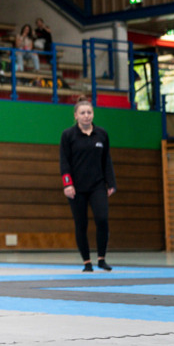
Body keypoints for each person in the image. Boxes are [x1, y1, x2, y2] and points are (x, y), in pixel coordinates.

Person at [60, 98, 117, 272]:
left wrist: (111, 182)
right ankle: (87, 261)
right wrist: (67, 184)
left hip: (97, 185)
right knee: (81, 224)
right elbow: (64, 162)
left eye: (89, 112)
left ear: (93, 114)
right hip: (76, 188)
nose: (86, 116)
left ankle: (101, 258)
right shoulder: (68, 135)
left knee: (102, 219)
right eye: (82, 113)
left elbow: (106, 159)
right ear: (76, 115)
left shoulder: (102, 134)